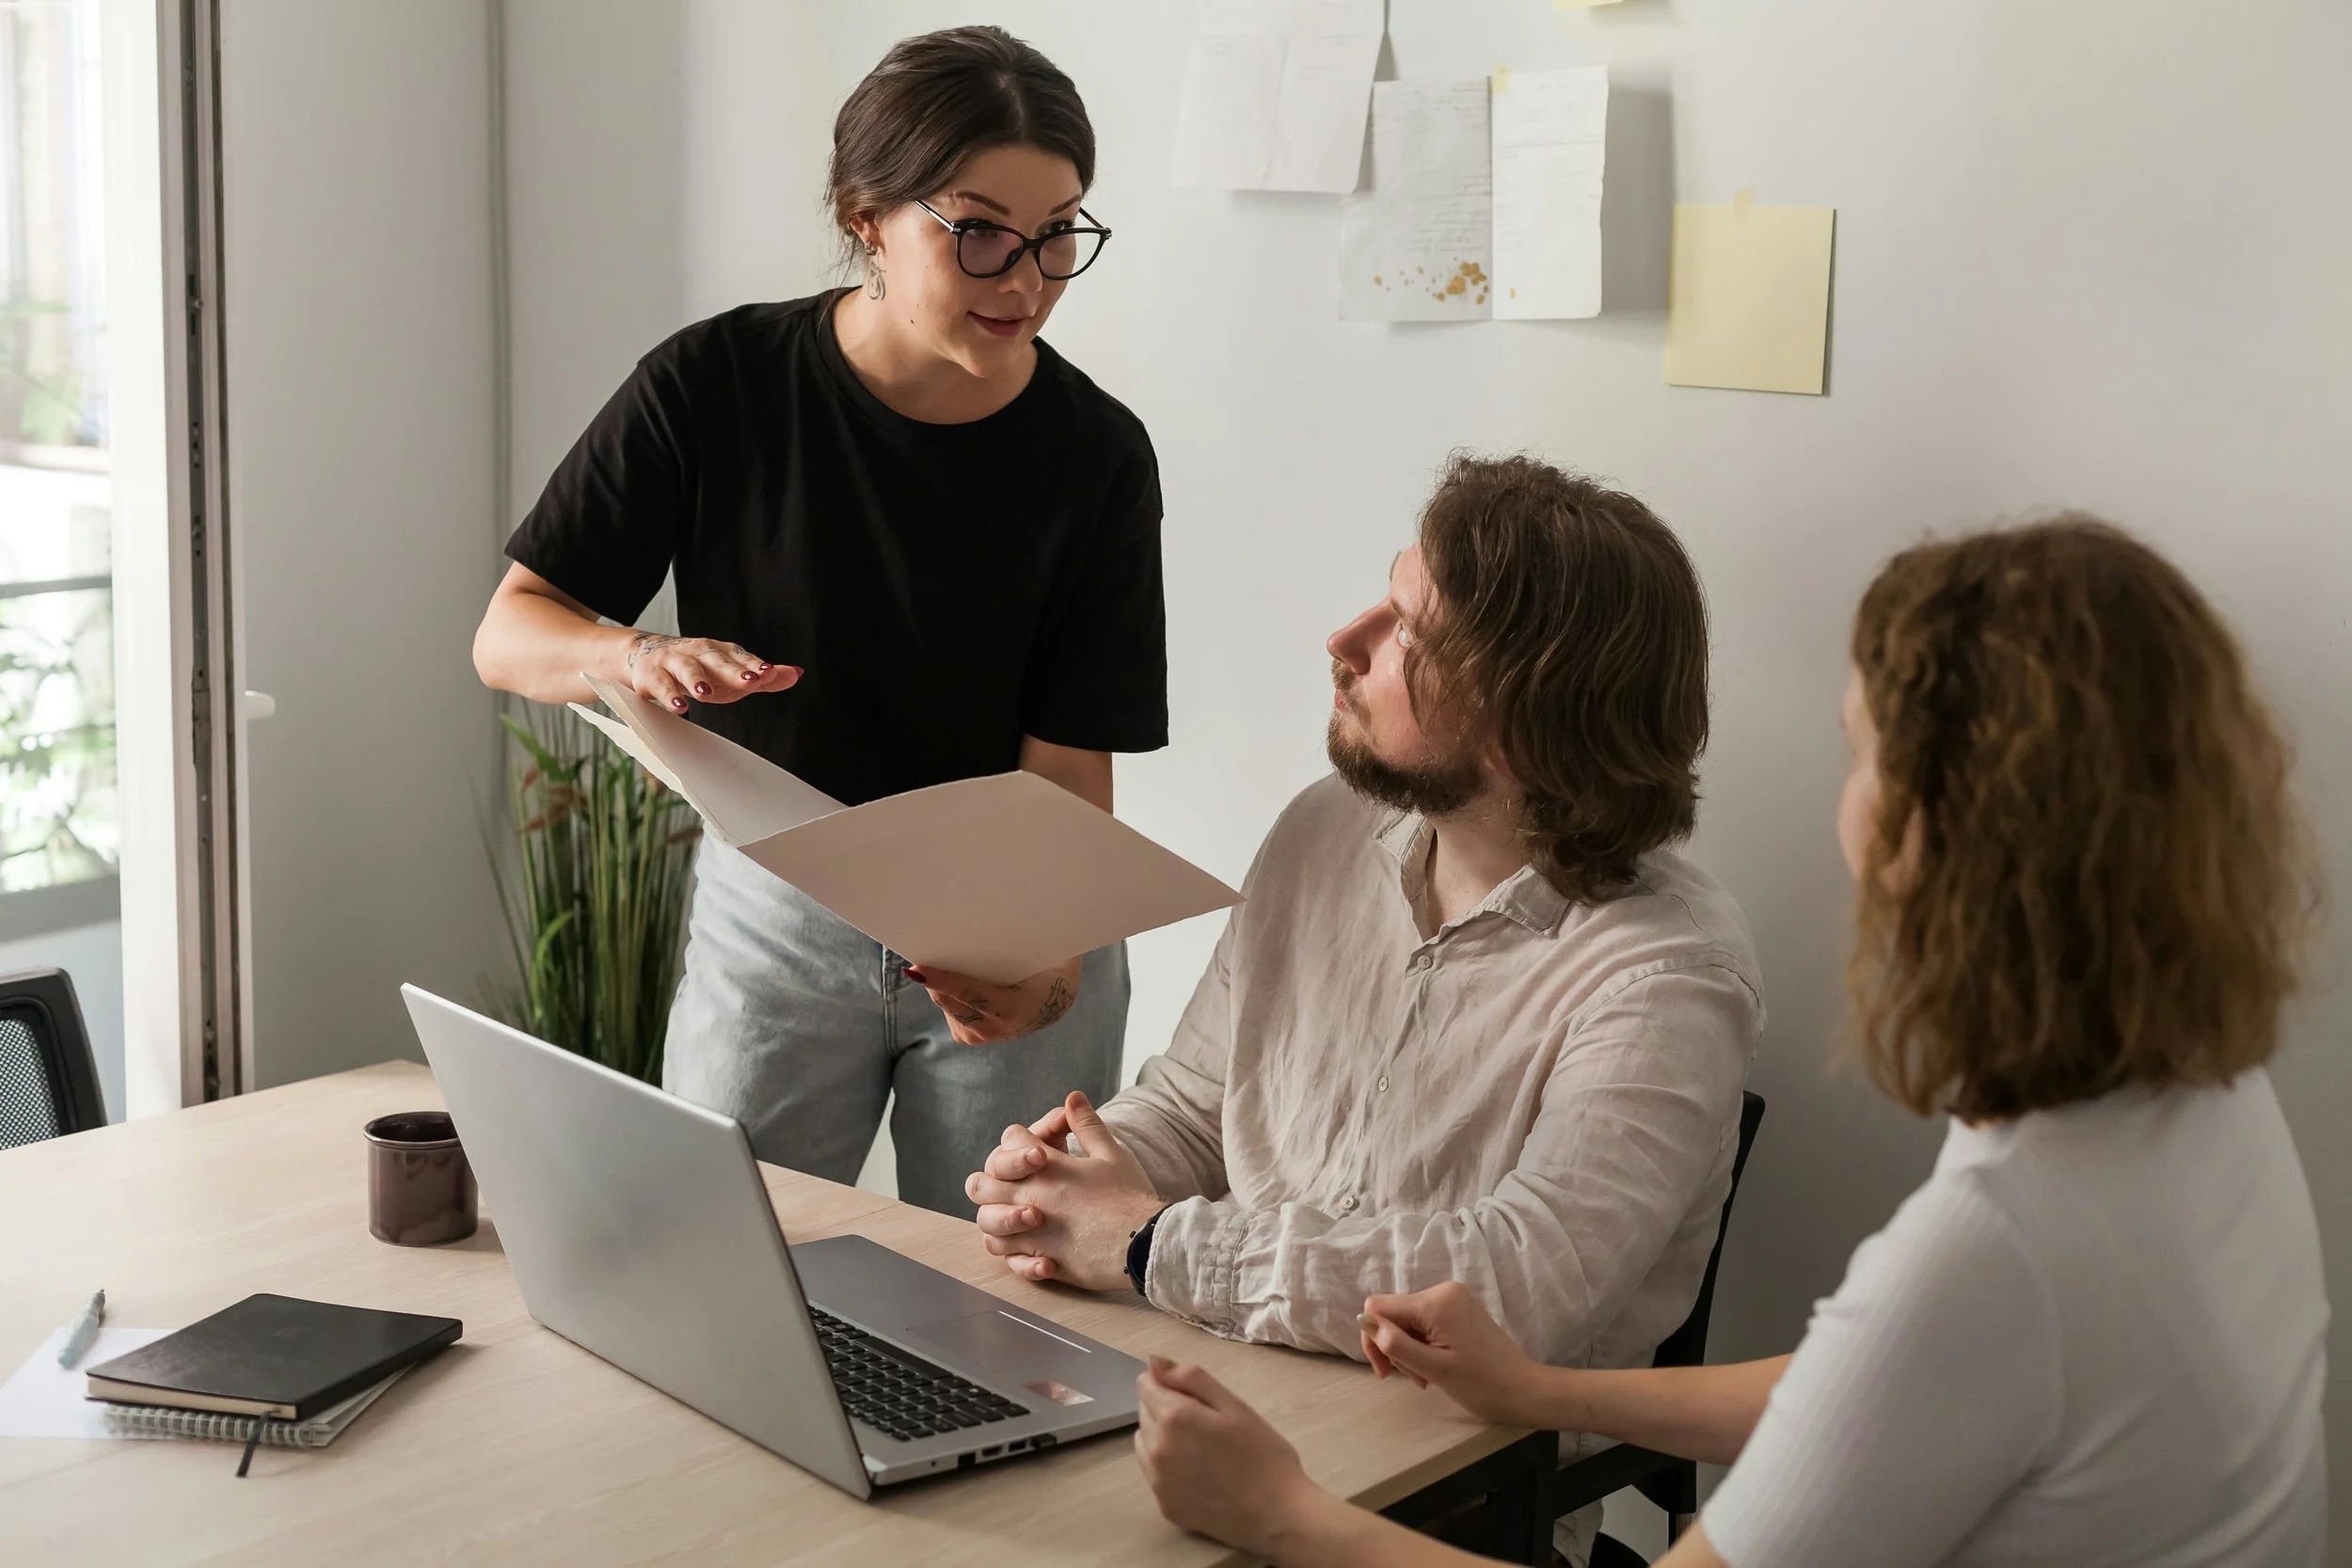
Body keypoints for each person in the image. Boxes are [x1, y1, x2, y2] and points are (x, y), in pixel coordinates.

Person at [1133, 516, 2328, 1568]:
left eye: (1863, 757)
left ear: (1942, 837)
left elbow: (1927, 1338)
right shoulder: (2204, 1103)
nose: (1843, 800)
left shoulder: (1997, 1243)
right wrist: (1543, 1389)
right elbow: (1866, 1387)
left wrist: (1283, 1512)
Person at [964, 453, 1764, 1560]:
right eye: (1385, 595)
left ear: (1527, 718)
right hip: (1234, 1374)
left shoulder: (1667, 974)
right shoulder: (1321, 829)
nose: (1345, 641)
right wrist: (1072, 1176)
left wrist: (1152, 1244)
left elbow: (1508, 1288)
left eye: (1409, 636)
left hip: (1458, 1490)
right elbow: (1201, 1103)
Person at [470, 28, 1166, 1216]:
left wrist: (1042, 974)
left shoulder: (1095, 453)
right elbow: (512, 633)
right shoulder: (716, 384)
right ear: (866, 216)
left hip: (1008, 911)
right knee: (715, 1258)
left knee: (1013, 1309)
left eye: (1059, 232)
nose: (1026, 277)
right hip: (776, 922)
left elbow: (1067, 778)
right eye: (980, 230)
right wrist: (631, 655)